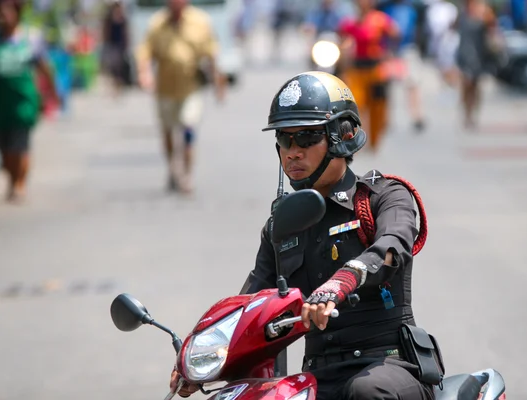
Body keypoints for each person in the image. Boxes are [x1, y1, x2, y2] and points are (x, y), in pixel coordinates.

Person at [169, 71, 434, 400]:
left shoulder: (383, 196)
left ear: (342, 135)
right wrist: (204, 358)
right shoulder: (282, 226)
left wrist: (344, 280)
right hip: (317, 374)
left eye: (307, 138)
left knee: (366, 393)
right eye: (284, 138)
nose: (292, 151)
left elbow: (392, 248)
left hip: (387, 365)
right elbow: (252, 301)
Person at [135, 0, 226, 194]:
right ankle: (172, 168)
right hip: (165, 88)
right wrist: (144, 73)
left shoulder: (200, 21)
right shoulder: (157, 23)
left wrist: (218, 82)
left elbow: (211, 53)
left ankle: (186, 174)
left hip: (190, 88)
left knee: (188, 128)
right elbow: (145, 51)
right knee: (167, 130)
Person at [0, 0, 58, 203]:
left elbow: (45, 67)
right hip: (0, 106)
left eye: (8, 11)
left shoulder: (30, 38)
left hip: (23, 104)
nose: (4, 15)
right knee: (6, 151)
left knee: (20, 146)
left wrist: (52, 93)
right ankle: (12, 178)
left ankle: (20, 184)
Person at [337, 0, 400, 151]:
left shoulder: (380, 19)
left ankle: (374, 141)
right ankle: (353, 140)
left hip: (375, 69)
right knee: (355, 105)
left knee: (377, 106)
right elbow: (341, 37)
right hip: (357, 69)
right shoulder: (351, 22)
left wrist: (388, 54)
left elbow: (396, 34)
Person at [377, 0, 426, 132]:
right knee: (386, 86)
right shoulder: (384, 8)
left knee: (413, 84)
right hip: (389, 51)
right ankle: (386, 119)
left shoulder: (412, 7)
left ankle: (416, 116)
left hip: (407, 49)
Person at [455, 0, 498, 129]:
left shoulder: (484, 15)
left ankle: (473, 113)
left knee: (475, 86)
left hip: (479, 56)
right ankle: (467, 113)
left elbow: (492, 27)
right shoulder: (463, 15)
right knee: (466, 85)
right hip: (464, 54)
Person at [101, 0, 129, 94]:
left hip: (119, 45)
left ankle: (118, 85)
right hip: (112, 45)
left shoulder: (122, 18)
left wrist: (126, 44)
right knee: (112, 66)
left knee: (118, 67)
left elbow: (125, 33)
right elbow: (106, 31)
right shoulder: (109, 18)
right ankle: (114, 85)